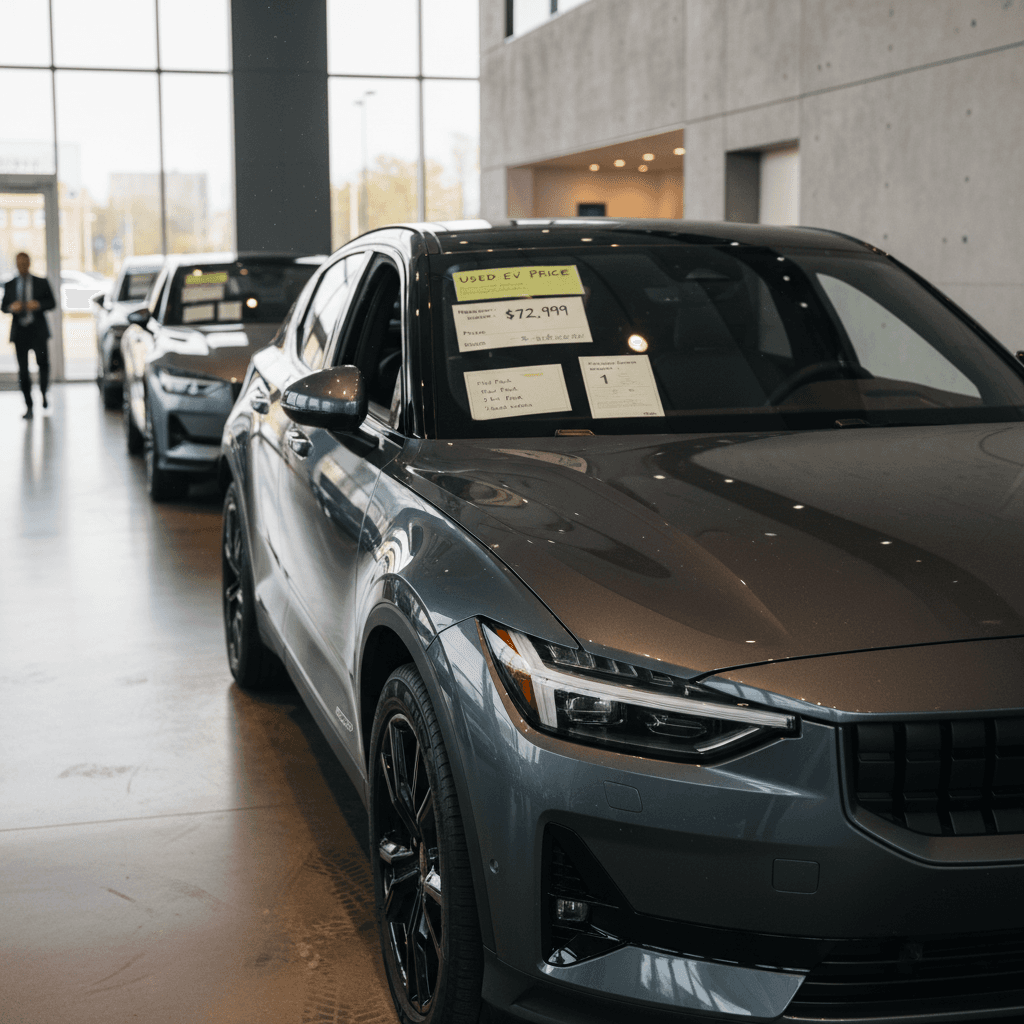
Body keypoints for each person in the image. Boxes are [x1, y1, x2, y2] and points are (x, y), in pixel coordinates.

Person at [2, 252, 57, 419]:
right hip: (20, 333)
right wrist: (12, 307)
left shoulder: (41, 282)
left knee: (43, 365)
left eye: (24, 263)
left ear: (29, 263)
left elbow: (52, 303)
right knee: (23, 371)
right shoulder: (10, 284)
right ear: (16, 264)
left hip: (38, 331)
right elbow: (3, 306)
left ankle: (44, 394)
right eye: (19, 264)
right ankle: (29, 406)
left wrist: (38, 304)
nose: (22, 267)